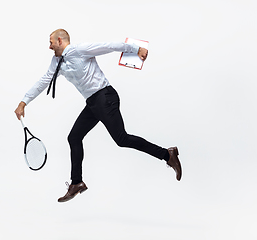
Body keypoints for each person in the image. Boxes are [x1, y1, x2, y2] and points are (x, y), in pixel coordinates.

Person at [15, 29, 182, 203]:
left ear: (59, 40)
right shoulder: (57, 61)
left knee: (121, 139)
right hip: (93, 103)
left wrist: (135, 48)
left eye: (51, 42)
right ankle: (76, 183)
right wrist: (23, 102)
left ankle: (167, 155)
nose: (49, 47)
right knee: (74, 137)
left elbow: (108, 46)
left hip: (105, 97)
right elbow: (44, 81)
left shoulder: (79, 50)